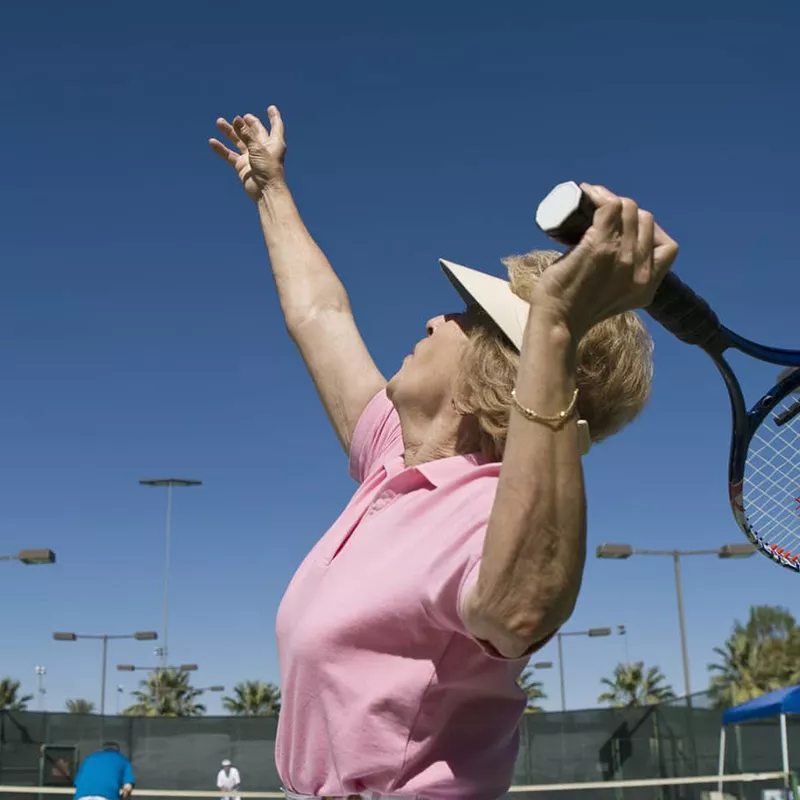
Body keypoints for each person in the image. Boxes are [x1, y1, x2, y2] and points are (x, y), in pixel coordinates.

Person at [209, 107, 678, 800]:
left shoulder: (484, 507)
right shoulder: (392, 469)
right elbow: (321, 316)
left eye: (465, 314)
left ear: (497, 367)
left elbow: (520, 607)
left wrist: (552, 327)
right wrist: (271, 189)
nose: (435, 316)